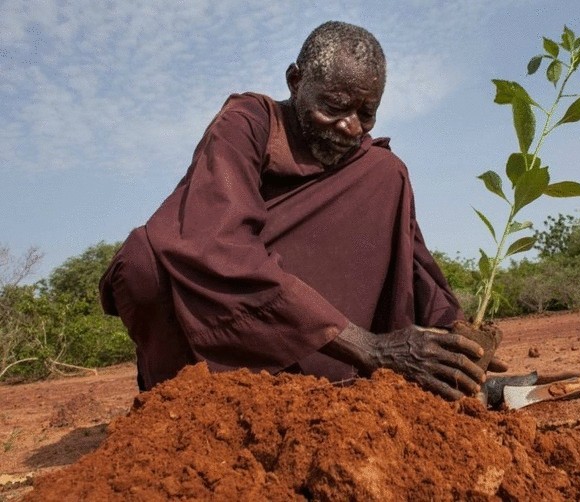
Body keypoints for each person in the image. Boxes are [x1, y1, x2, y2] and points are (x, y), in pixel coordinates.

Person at [100, 20, 507, 401]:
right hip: (221, 335)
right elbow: (217, 243)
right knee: (144, 261)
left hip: (315, 345)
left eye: (366, 114)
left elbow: (412, 259)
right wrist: (368, 347)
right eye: (333, 106)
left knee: (385, 172)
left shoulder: (374, 170)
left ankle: (345, 384)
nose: (350, 127)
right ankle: (182, 397)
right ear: (295, 82)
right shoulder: (246, 125)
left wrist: (456, 340)